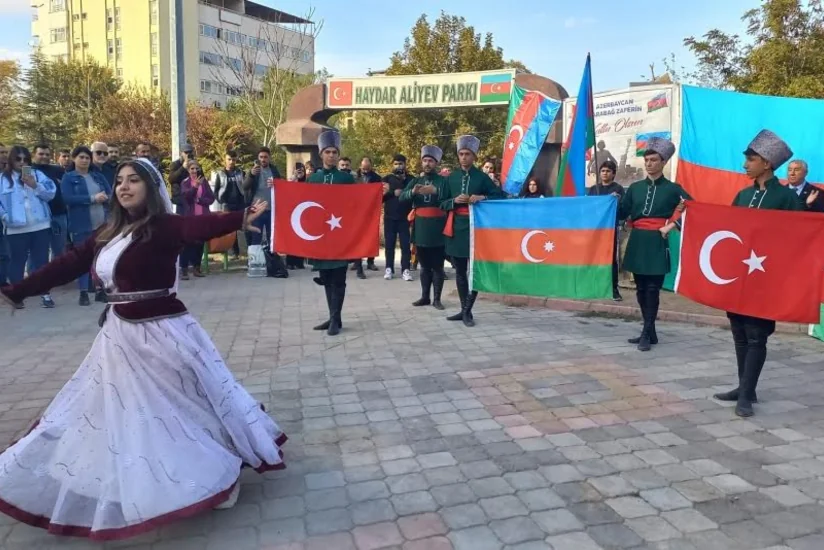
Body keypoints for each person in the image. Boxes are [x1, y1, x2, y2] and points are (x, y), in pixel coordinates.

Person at [0, 158, 285, 539]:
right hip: (119, 337)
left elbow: (195, 226)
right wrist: (17, 290)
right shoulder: (109, 231)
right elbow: (67, 264)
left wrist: (238, 218)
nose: (124, 186)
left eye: (134, 180)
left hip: (163, 333)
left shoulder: (163, 226)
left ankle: (218, 470)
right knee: (129, 412)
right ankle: (135, 475)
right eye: (119, 181)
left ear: (150, 187)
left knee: (182, 407)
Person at [708, 130, 801, 417]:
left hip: (767, 279)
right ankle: (744, 387)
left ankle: (746, 395)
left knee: (756, 335)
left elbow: (799, 237)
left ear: (767, 163)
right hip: (740, 277)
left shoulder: (786, 197)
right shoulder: (743, 195)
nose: (745, 165)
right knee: (738, 332)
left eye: (751, 160)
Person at [619, 138, 691, 351]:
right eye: (646, 160)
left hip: (658, 241)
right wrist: (612, 200)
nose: (648, 164)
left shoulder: (673, 189)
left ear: (663, 162)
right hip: (638, 240)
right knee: (640, 289)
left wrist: (671, 225)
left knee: (653, 289)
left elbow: (692, 208)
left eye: (653, 160)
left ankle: (646, 332)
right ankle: (650, 331)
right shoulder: (635, 188)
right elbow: (623, 212)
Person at [441, 135, 504, 327]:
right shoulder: (450, 178)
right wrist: (453, 201)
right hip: (456, 227)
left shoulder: (482, 177)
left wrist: (482, 196)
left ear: (474, 157)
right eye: (461, 154)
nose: (464, 157)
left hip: (477, 228)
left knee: (473, 271)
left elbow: (500, 197)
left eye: (467, 154)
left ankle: (468, 311)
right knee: (460, 270)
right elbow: (441, 203)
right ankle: (463, 308)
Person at [307, 130, 355, 336]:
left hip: (340, 235)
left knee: (339, 277)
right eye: (328, 151)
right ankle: (333, 316)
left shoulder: (346, 178)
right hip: (321, 236)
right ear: (321, 154)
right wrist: (276, 187)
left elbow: (357, 203)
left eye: (335, 152)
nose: (332, 155)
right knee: (326, 277)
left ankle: (335, 319)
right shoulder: (313, 179)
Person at [0, 146, 57, 309]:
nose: (22, 162)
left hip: (40, 225)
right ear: (11, 160)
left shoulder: (38, 175)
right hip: (15, 228)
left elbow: (50, 194)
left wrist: (35, 185)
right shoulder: (3, 179)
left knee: (42, 262)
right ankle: (17, 295)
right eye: (18, 159)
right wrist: (5, 216)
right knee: (17, 262)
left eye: (25, 159)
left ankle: (45, 294)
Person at [61, 146, 112, 306]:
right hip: (81, 224)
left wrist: (105, 198)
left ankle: (100, 290)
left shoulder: (97, 176)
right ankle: (83, 292)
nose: (84, 160)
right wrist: (91, 198)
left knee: (99, 258)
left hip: (101, 223)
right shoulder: (69, 178)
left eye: (87, 158)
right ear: (74, 159)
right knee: (83, 258)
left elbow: (110, 193)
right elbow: (67, 198)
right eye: (81, 157)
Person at [400, 145, 448, 309]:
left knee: (437, 266)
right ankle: (424, 297)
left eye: (430, 161)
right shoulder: (415, 181)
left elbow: (449, 200)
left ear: (436, 163)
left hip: (437, 228)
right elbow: (402, 198)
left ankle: (437, 299)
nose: (427, 164)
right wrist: (412, 192)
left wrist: (436, 192)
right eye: (425, 160)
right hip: (420, 227)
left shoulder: (443, 181)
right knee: (424, 265)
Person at [589, 160, 626, 301]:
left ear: (613, 174)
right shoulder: (594, 189)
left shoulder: (618, 189)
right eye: (603, 171)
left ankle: (613, 289)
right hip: (594, 229)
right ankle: (594, 286)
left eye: (608, 171)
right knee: (593, 257)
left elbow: (623, 210)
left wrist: (616, 200)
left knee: (611, 259)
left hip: (610, 230)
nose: (605, 173)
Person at [32, 144, 69, 261]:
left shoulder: (58, 170)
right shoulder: (28, 170)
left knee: (59, 250)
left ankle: (57, 277)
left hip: (58, 215)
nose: (44, 157)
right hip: (37, 218)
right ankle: (36, 278)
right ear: (34, 155)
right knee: (36, 252)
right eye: (41, 154)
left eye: (47, 154)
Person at [179, 160, 215, 280]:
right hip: (190, 217)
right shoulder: (185, 183)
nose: (194, 171)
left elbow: (211, 198)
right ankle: (184, 269)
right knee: (187, 244)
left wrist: (200, 201)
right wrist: (194, 187)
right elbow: (186, 197)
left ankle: (196, 267)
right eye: (192, 169)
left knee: (199, 243)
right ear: (188, 170)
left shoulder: (204, 182)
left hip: (202, 216)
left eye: (196, 168)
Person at [382, 154, 414, 281]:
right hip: (390, 217)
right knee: (389, 245)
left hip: (405, 218)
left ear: (405, 165)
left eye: (400, 164)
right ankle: (389, 268)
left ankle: (405, 269)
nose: (398, 166)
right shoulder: (387, 179)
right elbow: (379, 197)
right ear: (392, 165)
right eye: (396, 164)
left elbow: (415, 195)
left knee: (405, 245)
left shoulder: (411, 179)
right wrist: (392, 193)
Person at [353, 157, 382, 277]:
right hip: (356, 212)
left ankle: (371, 261)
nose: (365, 168)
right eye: (363, 166)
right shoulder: (354, 178)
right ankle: (358, 264)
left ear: (370, 166)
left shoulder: (376, 178)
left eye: (367, 166)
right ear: (360, 165)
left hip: (371, 212)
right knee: (357, 238)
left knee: (371, 236)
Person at [285, 162, 307, 270]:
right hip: (292, 213)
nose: (300, 172)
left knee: (302, 238)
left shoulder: (307, 182)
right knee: (292, 238)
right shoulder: (291, 180)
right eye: (298, 170)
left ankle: (299, 261)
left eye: (302, 170)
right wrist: (294, 178)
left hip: (304, 213)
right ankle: (290, 262)